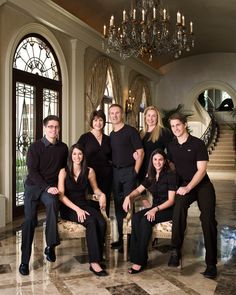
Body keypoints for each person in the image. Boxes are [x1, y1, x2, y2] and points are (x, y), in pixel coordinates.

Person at [167, 112, 218, 279]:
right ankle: (175, 250)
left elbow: (202, 170)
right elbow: (171, 167)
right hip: (184, 186)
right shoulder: (172, 146)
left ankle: (211, 264)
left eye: (178, 125)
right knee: (179, 206)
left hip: (202, 185)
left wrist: (188, 187)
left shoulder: (198, 144)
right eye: (172, 126)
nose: (175, 129)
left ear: (185, 124)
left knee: (207, 219)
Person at [19, 115, 68, 276]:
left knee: (53, 204)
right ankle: (24, 261)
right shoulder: (35, 147)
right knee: (29, 221)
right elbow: (33, 173)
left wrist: (59, 185)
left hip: (51, 188)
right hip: (34, 187)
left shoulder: (63, 148)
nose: (54, 130)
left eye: (56, 127)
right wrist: (47, 187)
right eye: (51, 127)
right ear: (44, 128)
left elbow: (63, 169)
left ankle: (51, 246)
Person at [123, 149, 177, 273]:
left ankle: (140, 261)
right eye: (155, 159)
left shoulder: (170, 175)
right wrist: (128, 196)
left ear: (164, 161)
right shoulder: (150, 175)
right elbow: (138, 190)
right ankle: (136, 256)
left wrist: (154, 210)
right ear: (151, 161)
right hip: (155, 208)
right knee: (136, 218)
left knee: (146, 220)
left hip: (168, 209)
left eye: (160, 159)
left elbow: (171, 200)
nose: (157, 162)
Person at [58, 143, 108, 277]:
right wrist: (77, 210)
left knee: (102, 223)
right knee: (91, 222)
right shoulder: (63, 172)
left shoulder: (89, 171)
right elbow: (61, 196)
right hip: (69, 207)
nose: (77, 156)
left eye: (80, 154)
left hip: (84, 204)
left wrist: (102, 195)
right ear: (70, 156)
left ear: (83, 156)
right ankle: (94, 262)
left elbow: (95, 189)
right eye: (74, 154)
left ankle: (98, 255)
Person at [109, 103, 144, 252]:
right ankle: (120, 239)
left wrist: (134, 173)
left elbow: (140, 152)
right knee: (117, 207)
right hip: (115, 173)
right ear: (110, 116)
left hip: (129, 171)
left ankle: (131, 241)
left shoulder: (131, 131)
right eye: (112, 113)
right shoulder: (111, 134)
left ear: (122, 114)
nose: (115, 115)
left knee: (128, 205)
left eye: (117, 113)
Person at [77, 110, 112, 216]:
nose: (98, 123)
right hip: (90, 177)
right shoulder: (84, 138)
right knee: (92, 206)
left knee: (105, 207)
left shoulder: (108, 139)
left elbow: (113, 156)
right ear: (91, 122)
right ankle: (94, 229)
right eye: (95, 120)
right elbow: (77, 155)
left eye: (101, 120)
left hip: (106, 177)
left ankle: (104, 230)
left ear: (104, 122)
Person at [139, 105, 172, 183]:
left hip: (156, 168)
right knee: (143, 194)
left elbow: (171, 151)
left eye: (153, 116)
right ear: (145, 117)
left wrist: (163, 166)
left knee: (155, 193)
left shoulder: (164, 132)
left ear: (157, 118)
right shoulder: (141, 133)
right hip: (142, 168)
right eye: (148, 115)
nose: (150, 118)